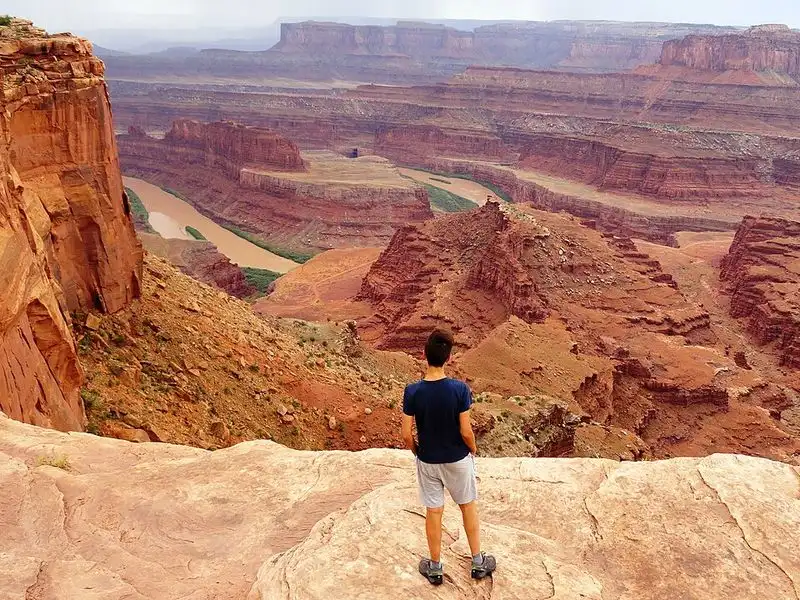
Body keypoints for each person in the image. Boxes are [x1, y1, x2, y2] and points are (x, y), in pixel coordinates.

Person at [401, 329, 497, 585]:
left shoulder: (412, 391)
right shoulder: (459, 389)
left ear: (424, 355)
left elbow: (406, 434)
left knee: (434, 512)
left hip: (428, 460)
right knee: (468, 506)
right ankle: (478, 563)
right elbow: (466, 430)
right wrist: (473, 449)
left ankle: (434, 568)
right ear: (449, 358)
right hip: (457, 459)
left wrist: (417, 452)